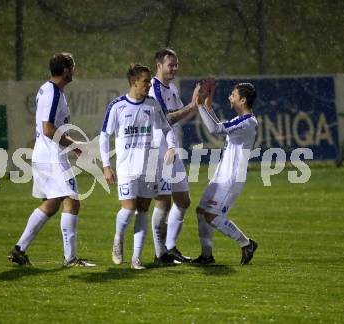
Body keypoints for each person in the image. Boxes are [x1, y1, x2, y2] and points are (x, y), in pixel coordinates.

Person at [8, 52, 95, 267]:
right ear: (66, 70)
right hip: (52, 155)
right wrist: (74, 146)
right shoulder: (53, 93)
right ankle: (70, 259)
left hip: (47, 153)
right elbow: (48, 129)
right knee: (72, 201)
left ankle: (19, 249)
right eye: (72, 66)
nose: (74, 70)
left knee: (52, 203)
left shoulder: (51, 90)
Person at [100, 63, 177, 270]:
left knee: (143, 210)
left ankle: (136, 259)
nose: (149, 85)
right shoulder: (117, 106)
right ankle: (118, 238)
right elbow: (104, 136)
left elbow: (167, 128)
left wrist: (171, 146)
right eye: (145, 81)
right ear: (134, 82)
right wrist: (106, 166)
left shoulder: (152, 104)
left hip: (148, 166)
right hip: (126, 168)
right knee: (129, 208)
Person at [192, 82, 258, 265]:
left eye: (233, 95)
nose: (230, 97)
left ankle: (246, 243)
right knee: (202, 212)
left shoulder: (247, 121)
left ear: (242, 100)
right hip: (222, 175)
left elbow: (215, 129)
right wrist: (207, 107)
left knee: (212, 216)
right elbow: (219, 126)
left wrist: (199, 106)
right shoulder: (243, 121)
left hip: (231, 178)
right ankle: (207, 256)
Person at [148, 48, 201, 264]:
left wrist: (197, 105)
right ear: (159, 65)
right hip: (159, 152)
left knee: (183, 200)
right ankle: (160, 253)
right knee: (164, 202)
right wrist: (190, 105)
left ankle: (170, 248)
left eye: (176, 64)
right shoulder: (153, 88)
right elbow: (166, 119)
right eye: (171, 64)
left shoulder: (172, 88)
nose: (175, 68)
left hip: (173, 150)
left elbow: (180, 117)